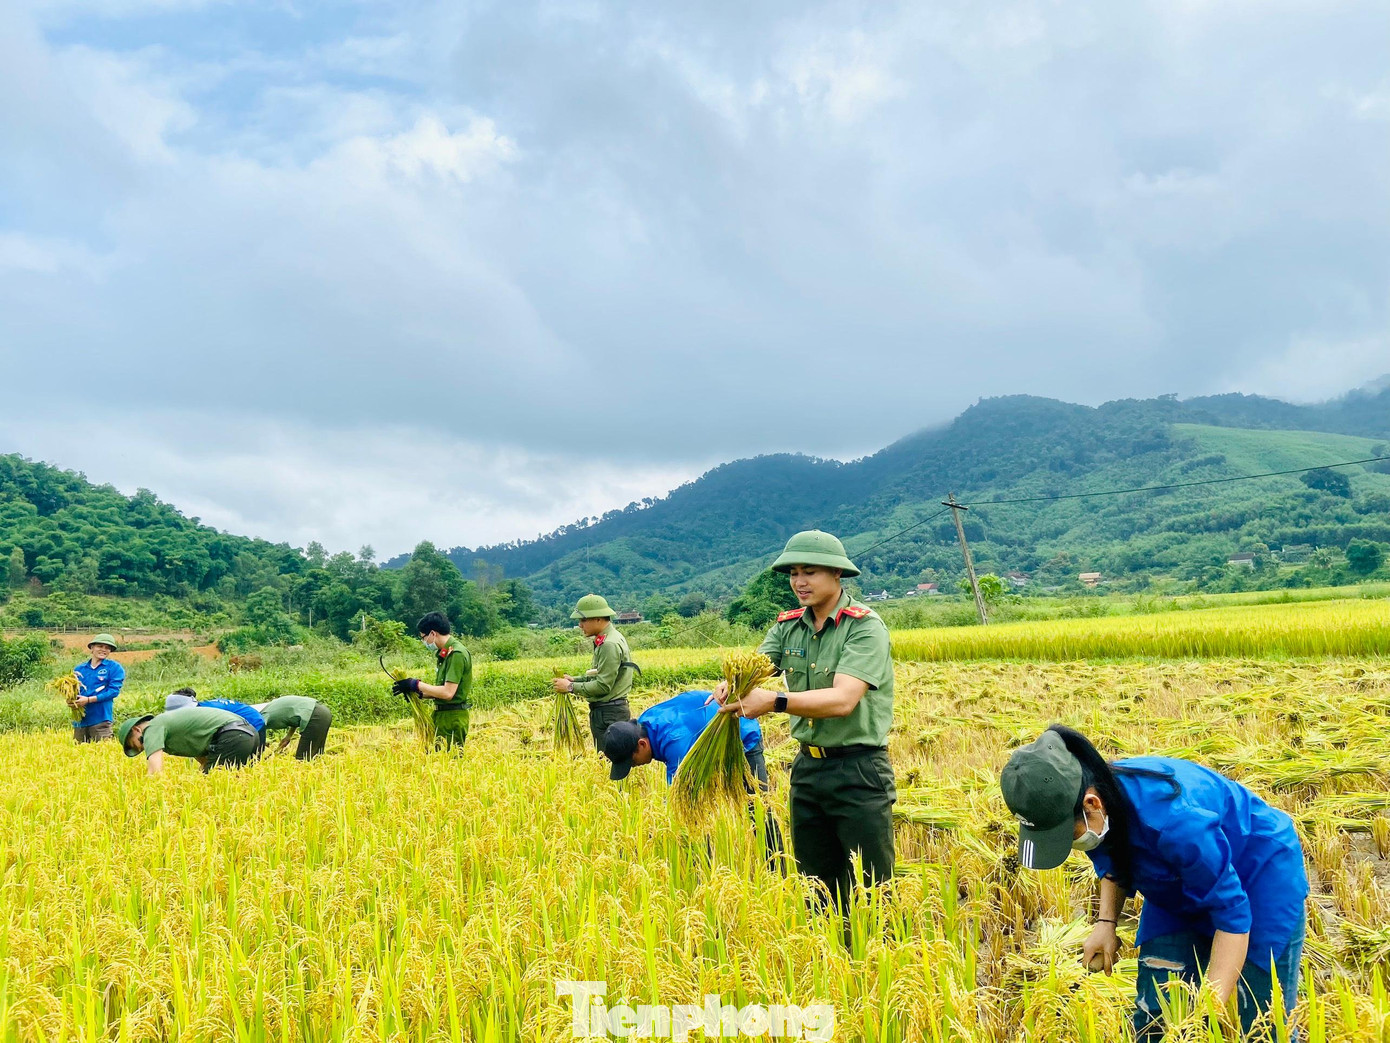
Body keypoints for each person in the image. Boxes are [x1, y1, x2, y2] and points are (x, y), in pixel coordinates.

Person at [1000, 725, 1308, 1041]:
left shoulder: (1174, 822)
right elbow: (1114, 861)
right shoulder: (1097, 804)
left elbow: (1233, 916)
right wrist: (1106, 923)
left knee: (1261, 1019)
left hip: (1258, 874)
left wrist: (1209, 1011)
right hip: (1176, 881)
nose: (1067, 844)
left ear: (1092, 804)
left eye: (1066, 835)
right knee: (1155, 1014)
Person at [713, 530, 895, 912]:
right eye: (794, 573)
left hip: (858, 771)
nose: (799, 582)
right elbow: (757, 668)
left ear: (837, 574)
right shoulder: (788, 626)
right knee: (816, 888)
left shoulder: (864, 626)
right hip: (808, 770)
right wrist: (732, 685)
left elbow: (843, 700)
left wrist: (774, 701)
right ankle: (828, 947)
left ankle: (877, 949)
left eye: (809, 572)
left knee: (872, 891)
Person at [603, 690, 784, 858]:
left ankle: (777, 866)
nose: (634, 766)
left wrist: (643, 841)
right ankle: (703, 869)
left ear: (642, 744)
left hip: (742, 735)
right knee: (694, 814)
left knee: (758, 809)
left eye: (632, 762)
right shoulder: (644, 724)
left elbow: (677, 800)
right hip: (706, 744)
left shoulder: (675, 742)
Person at [552, 594, 636, 751]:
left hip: (609, 714)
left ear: (598, 619)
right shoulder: (610, 638)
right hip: (610, 712)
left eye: (583, 620)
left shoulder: (609, 644)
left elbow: (603, 686)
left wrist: (570, 687)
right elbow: (600, 674)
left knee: (608, 760)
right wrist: (574, 680)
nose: (580, 625)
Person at [391, 612, 472, 750]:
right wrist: (417, 693)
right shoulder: (444, 654)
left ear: (433, 633)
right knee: (436, 759)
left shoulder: (456, 654)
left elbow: (447, 693)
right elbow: (440, 691)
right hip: (441, 716)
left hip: (452, 719)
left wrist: (416, 684)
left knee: (447, 760)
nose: (424, 642)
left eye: (423, 637)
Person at [118, 706, 261, 775]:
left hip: (232, 736)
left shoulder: (152, 728)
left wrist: (144, 797)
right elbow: (204, 758)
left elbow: (155, 771)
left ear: (137, 730)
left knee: (213, 786)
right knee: (233, 784)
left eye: (137, 744)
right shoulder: (171, 728)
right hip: (249, 734)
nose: (143, 748)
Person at [165, 688, 267, 750]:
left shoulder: (206, 712)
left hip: (254, 724)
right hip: (246, 723)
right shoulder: (202, 707)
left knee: (245, 762)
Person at [71, 633, 124, 743]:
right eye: (100, 646)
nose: (103, 650)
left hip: (101, 719)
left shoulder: (114, 668)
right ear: (92, 648)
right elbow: (72, 692)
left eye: (107, 648)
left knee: (103, 751)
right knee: (79, 751)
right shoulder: (79, 669)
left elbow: (113, 691)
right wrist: (71, 701)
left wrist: (89, 700)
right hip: (80, 721)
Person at [261, 695, 333, 760]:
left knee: (303, 758)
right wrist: (288, 736)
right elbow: (295, 716)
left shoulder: (263, 714)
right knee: (315, 756)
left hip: (315, 716)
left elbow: (258, 734)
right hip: (323, 712)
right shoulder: (272, 706)